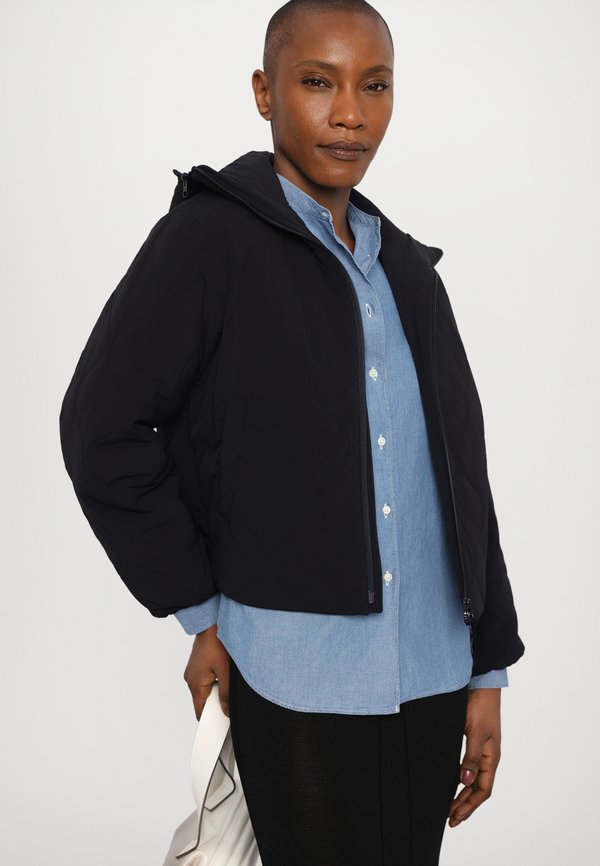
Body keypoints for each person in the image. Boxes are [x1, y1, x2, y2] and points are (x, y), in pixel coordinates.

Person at [59, 1, 525, 863]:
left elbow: (462, 477)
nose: (350, 113)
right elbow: (102, 430)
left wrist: (489, 666)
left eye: (374, 86)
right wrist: (199, 608)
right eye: (318, 82)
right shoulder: (208, 240)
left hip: (433, 673)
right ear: (265, 92)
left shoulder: (410, 271)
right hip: (291, 672)